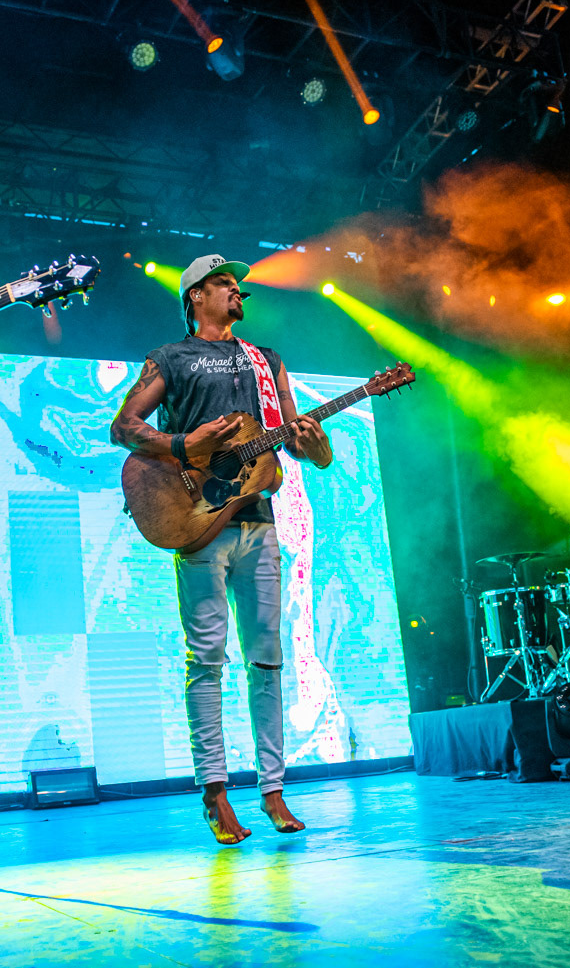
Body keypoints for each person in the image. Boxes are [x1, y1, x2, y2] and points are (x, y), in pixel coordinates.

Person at [110, 254, 331, 844]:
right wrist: (185, 443)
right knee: (207, 658)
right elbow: (124, 426)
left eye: (238, 285)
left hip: (258, 520)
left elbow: (304, 445)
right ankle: (215, 794)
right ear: (195, 296)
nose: (237, 291)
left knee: (268, 658)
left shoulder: (266, 359)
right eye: (224, 283)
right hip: (196, 522)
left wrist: (315, 442)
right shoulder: (171, 358)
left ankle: (274, 790)